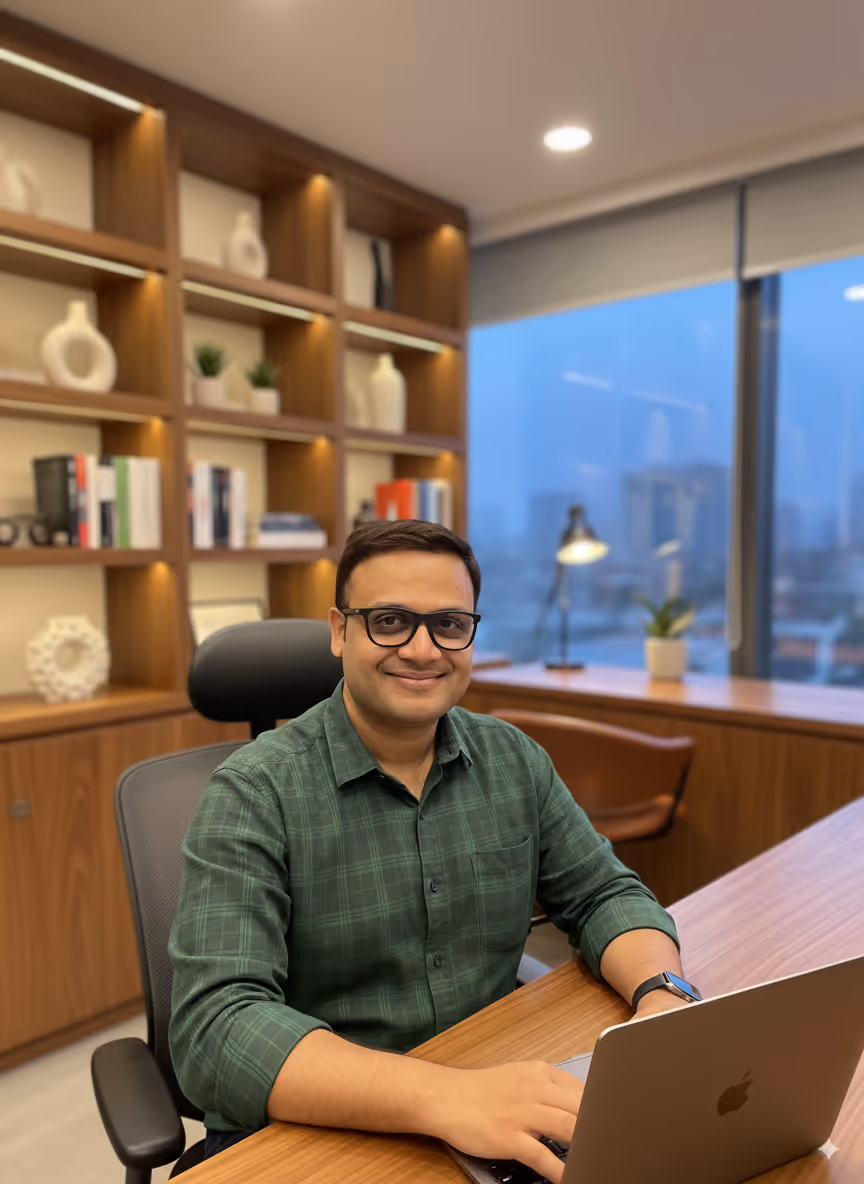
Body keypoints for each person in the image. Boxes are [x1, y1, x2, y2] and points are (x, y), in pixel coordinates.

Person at [169, 520, 688, 1184]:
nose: (422, 650)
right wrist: (444, 1096)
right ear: (340, 631)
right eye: (390, 621)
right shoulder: (253, 792)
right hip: (321, 1133)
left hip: (484, 1096)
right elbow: (216, 1030)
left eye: (448, 624)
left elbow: (605, 894)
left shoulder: (513, 760)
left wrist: (663, 997)